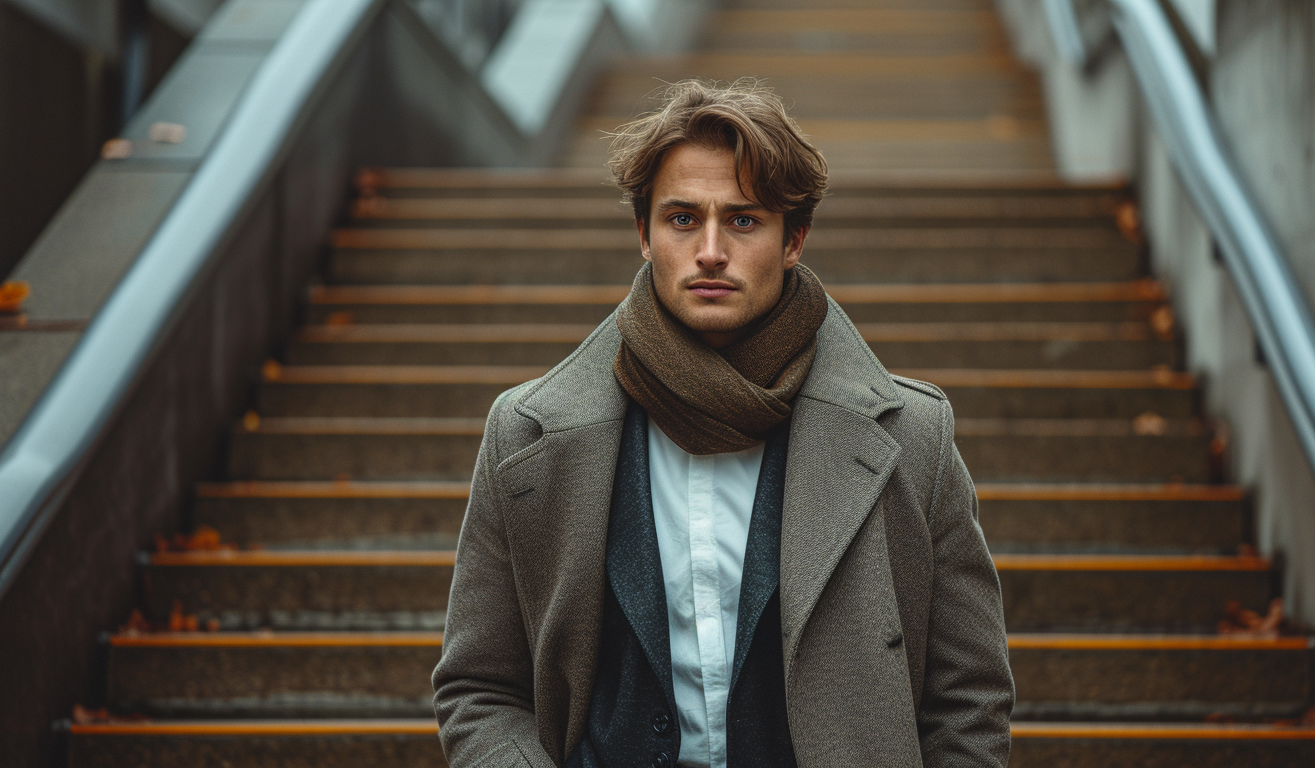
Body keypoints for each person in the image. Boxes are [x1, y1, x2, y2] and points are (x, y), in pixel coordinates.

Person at [432, 78, 1013, 768]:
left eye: (743, 220)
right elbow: (479, 688)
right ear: (643, 234)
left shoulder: (913, 438)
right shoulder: (527, 435)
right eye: (682, 219)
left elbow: (970, 700)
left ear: (794, 239)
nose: (711, 250)